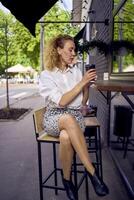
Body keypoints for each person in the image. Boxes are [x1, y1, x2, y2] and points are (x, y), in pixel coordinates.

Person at [39, 34, 109, 200]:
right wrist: (81, 82)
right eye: (70, 49)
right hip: (54, 117)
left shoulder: (76, 71)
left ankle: (66, 180)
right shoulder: (46, 75)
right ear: (58, 50)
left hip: (75, 117)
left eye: (74, 50)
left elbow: (83, 102)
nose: (73, 53)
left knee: (65, 136)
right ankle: (92, 172)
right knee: (67, 119)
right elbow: (62, 102)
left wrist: (86, 85)